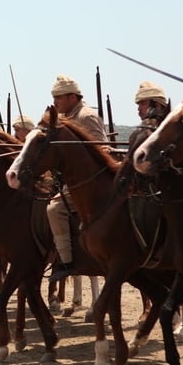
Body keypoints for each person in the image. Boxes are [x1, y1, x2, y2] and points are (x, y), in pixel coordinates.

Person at [47, 75, 107, 281]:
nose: (55, 102)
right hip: (71, 181)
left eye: (59, 97)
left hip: (90, 184)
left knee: (54, 209)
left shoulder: (86, 116)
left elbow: (100, 150)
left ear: (72, 97)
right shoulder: (66, 118)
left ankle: (66, 261)